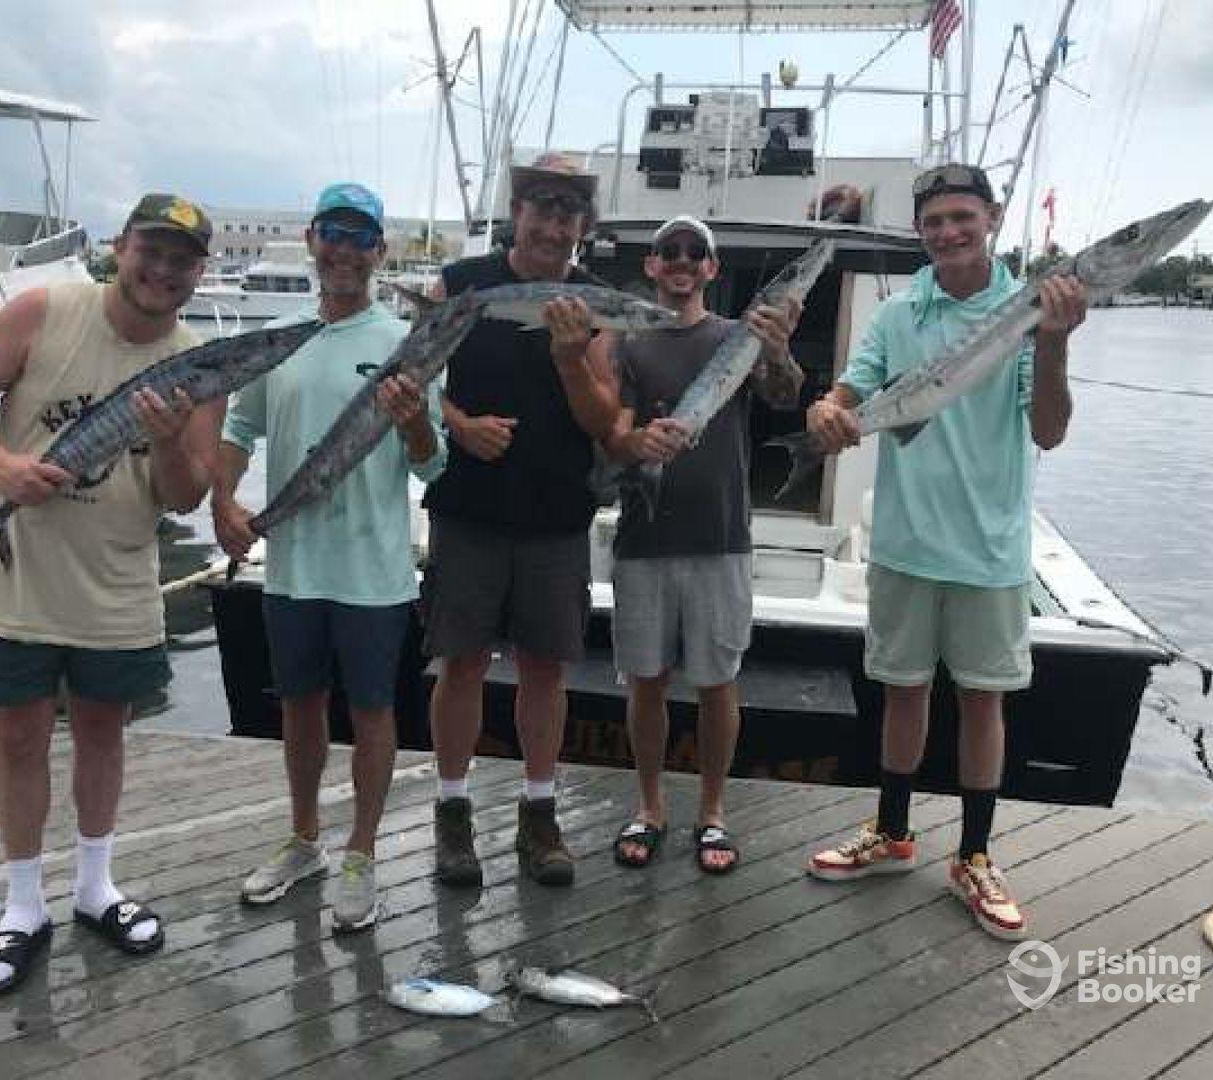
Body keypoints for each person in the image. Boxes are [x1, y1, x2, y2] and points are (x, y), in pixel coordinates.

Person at [0, 193, 218, 994]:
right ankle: (22, 906)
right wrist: (1, 467)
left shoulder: (200, 363)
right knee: (18, 740)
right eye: (150, 250)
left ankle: (96, 889)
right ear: (121, 248)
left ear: (198, 273)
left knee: (104, 735)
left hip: (119, 589)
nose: (161, 270)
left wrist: (168, 442)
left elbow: (186, 496)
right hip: (16, 581)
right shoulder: (42, 310)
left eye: (180, 259)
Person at [805, 164, 1087, 940]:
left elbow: (1050, 431)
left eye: (963, 217)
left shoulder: (1028, 311)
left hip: (989, 546)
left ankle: (974, 854)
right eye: (934, 221)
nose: (948, 232)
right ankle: (893, 833)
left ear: (991, 219)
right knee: (901, 692)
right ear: (920, 231)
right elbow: (852, 389)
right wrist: (827, 408)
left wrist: (1055, 343)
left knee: (982, 701)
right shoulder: (899, 315)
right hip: (904, 539)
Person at [212, 182, 444, 932]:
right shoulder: (280, 339)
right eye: (333, 233)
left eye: (360, 237)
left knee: (374, 712)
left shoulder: (404, 347)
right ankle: (305, 839)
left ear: (380, 251)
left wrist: (412, 428)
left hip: (374, 573)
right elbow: (238, 430)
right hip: (292, 569)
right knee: (300, 707)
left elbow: (432, 467)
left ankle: (362, 855)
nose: (344, 249)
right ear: (313, 240)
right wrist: (224, 505)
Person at [421, 152, 620, 888]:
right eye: (542, 207)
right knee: (461, 663)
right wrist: (458, 427)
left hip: (557, 514)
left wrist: (573, 361)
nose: (553, 223)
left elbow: (606, 419)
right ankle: (452, 813)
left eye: (568, 212)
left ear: (583, 227)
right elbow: (409, 374)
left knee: (546, 668)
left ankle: (540, 813)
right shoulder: (461, 283)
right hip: (467, 505)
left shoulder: (599, 303)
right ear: (518, 212)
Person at [602, 215, 803, 874]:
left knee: (719, 683)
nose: (682, 261)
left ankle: (713, 813)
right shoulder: (627, 344)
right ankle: (651, 806)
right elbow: (613, 435)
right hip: (642, 537)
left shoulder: (739, 337)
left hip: (720, 538)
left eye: (696, 252)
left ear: (712, 270)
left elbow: (786, 394)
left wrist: (777, 350)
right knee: (648, 683)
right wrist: (636, 444)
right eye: (670, 252)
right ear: (653, 267)